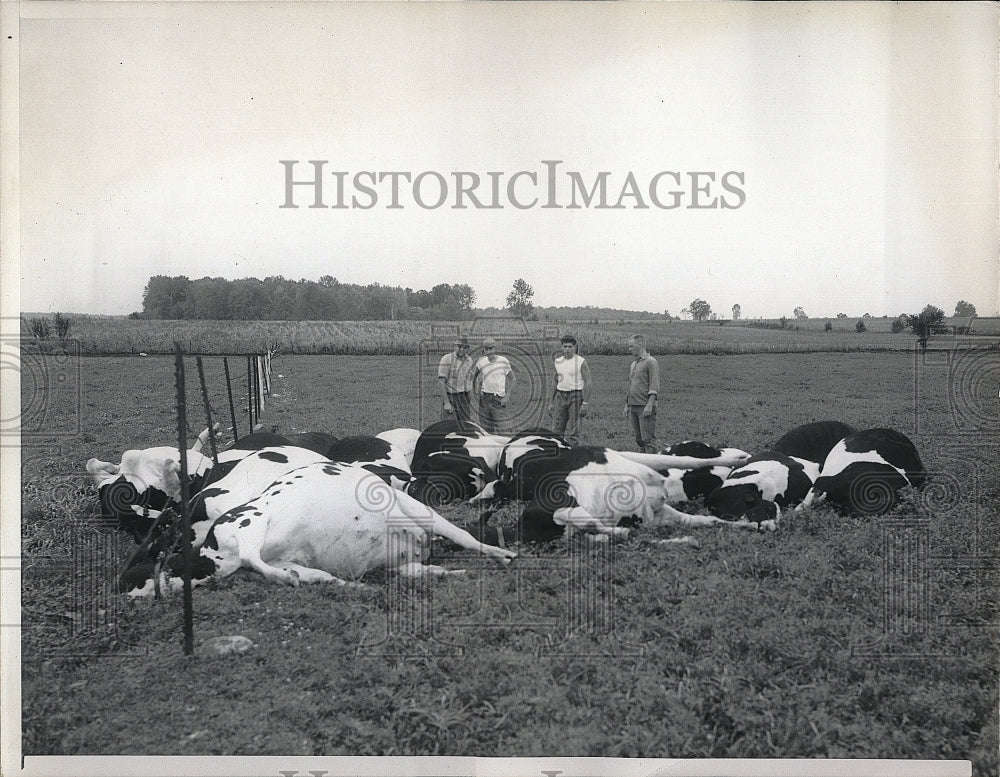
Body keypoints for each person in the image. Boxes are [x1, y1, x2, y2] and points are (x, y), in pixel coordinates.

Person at [547, 334, 592, 445]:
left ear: (575, 347)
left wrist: (585, 403)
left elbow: (588, 382)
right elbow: (555, 381)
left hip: (575, 397)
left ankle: (574, 456)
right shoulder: (558, 361)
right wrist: (550, 402)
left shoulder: (581, 362)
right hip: (560, 396)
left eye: (570, 347)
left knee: (574, 431)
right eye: (565, 346)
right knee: (556, 430)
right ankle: (558, 455)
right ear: (561, 347)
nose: (567, 349)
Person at [624, 334, 659, 452]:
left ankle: (653, 466)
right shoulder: (633, 364)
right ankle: (643, 463)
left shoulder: (651, 362)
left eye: (631, 346)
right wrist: (627, 405)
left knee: (648, 439)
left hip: (645, 406)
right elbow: (631, 385)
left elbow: (654, 385)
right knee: (639, 440)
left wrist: (650, 404)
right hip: (633, 405)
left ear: (640, 345)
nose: (629, 349)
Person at [473, 337, 515, 434]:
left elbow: (513, 379)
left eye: (491, 348)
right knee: (486, 431)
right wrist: (476, 390)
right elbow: (474, 377)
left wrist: (507, 395)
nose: (489, 352)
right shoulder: (481, 361)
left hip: (498, 400)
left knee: (504, 431)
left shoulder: (503, 361)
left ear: (495, 348)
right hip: (484, 399)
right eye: (487, 349)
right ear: (484, 349)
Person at [437, 336, 474, 426]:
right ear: (454, 346)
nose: (461, 349)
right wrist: (446, 403)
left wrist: (469, 398)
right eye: (459, 346)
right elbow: (441, 382)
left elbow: (469, 380)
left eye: (464, 347)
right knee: (450, 427)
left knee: (466, 426)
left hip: (464, 397)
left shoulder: (469, 360)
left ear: (468, 349)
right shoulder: (446, 359)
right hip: (451, 397)